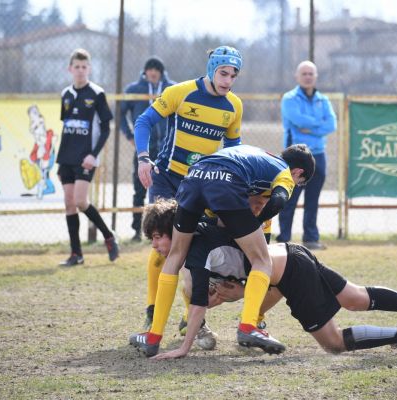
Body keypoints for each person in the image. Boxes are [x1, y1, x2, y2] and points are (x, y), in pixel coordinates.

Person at [135, 198, 397, 360]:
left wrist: (184, 348)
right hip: (290, 253)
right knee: (356, 298)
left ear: (173, 232)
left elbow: (197, 307)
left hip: (290, 271)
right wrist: (237, 290)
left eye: (157, 237)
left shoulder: (195, 252)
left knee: (333, 344)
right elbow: (240, 273)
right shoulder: (204, 231)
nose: (155, 245)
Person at [130, 144, 316, 357]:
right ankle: (249, 326)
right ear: (298, 173)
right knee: (263, 261)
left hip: (195, 174)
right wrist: (251, 224)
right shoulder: (283, 171)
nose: (295, 184)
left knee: (175, 256)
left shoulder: (253, 153)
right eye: (298, 183)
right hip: (224, 181)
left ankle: (153, 337)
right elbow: (279, 200)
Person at [131, 46, 244, 330]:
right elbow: (144, 121)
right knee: (164, 245)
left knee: (194, 250)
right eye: (223, 73)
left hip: (200, 185)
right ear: (211, 70)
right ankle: (152, 309)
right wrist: (143, 158)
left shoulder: (234, 106)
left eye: (233, 75)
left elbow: (233, 152)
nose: (228, 80)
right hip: (167, 178)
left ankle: (190, 318)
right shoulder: (180, 92)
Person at [56, 48, 119, 267]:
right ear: (70, 69)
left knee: (81, 201)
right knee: (68, 203)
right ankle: (76, 254)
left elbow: (105, 129)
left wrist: (93, 154)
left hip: (86, 157)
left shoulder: (96, 94)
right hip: (66, 157)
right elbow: (68, 125)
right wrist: (61, 158)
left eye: (84, 67)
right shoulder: (66, 94)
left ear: (89, 69)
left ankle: (108, 235)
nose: (80, 71)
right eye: (77, 67)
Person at [276, 61, 337, 250]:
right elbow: (297, 120)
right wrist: (319, 125)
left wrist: (309, 128)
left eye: (311, 73)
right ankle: (284, 239)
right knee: (289, 198)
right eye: (304, 73)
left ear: (316, 76)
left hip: (318, 155)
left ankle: (310, 238)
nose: (308, 76)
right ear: (297, 76)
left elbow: (332, 125)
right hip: (295, 157)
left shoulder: (323, 100)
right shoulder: (289, 99)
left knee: (313, 200)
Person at [120, 56, 175, 242]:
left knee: (167, 193)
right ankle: (137, 230)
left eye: (156, 69)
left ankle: (166, 231)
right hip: (143, 149)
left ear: (161, 72)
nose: (153, 72)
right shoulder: (134, 90)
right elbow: (120, 114)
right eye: (149, 69)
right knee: (139, 189)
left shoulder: (171, 89)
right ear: (145, 71)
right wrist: (129, 136)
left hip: (167, 150)